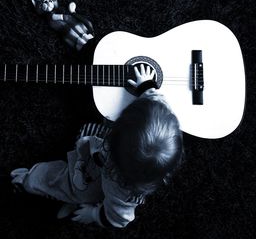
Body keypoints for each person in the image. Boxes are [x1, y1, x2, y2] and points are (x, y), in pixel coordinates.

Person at [10, 64, 184, 228]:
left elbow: (120, 218)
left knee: (62, 181)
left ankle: (30, 181)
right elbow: (155, 102)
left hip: (95, 179)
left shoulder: (121, 190)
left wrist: (94, 214)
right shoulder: (165, 121)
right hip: (106, 152)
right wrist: (146, 85)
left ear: (113, 144)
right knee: (89, 129)